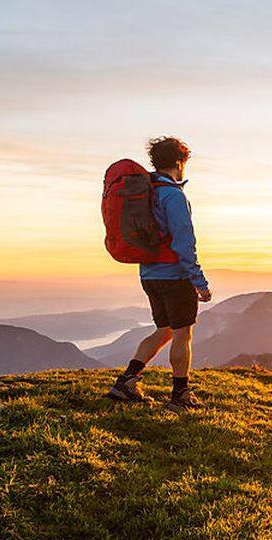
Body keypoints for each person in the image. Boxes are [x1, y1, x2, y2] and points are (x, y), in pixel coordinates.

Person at [105, 136, 212, 412]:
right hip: (175, 276)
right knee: (182, 335)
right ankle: (180, 396)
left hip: (149, 274)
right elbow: (184, 244)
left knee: (164, 330)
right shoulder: (173, 196)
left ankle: (126, 381)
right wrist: (199, 283)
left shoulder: (147, 192)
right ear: (180, 162)